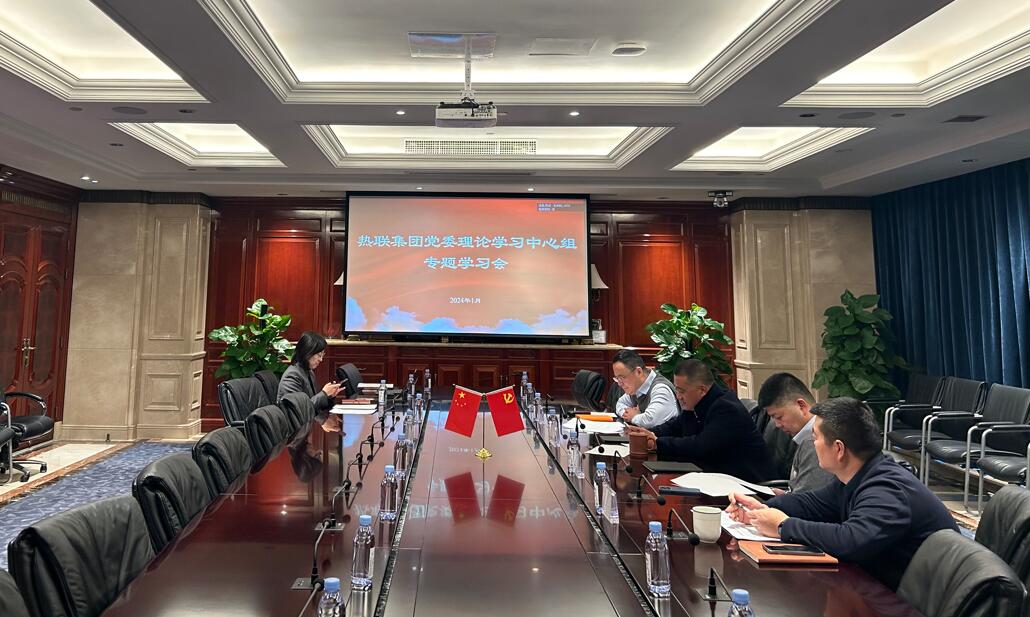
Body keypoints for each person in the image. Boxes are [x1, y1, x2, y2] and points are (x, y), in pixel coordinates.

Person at [727, 397, 958, 591]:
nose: (812, 443)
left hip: (916, 600)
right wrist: (762, 507)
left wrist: (783, 526)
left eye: (815, 437)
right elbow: (812, 503)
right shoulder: (859, 475)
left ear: (838, 448)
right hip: (883, 584)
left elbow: (850, 540)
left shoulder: (887, 489)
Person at [625, 359, 773, 482]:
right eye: (677, 390)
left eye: (681, 391)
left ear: (702, 390)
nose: (678, 396)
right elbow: (675, 426)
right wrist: (646, 433)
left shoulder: (726, 408)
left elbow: (701, 446)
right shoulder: (695, 404)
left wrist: (657, 443)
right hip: (716, 476)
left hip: (747, 483)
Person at [757, 372, 835, 493]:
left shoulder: (817, 442)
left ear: (801, 405)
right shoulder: (808, 438)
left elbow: (808, 501)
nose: (777, 425)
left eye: (779, 417)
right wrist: (785, 495)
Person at [277, 331, 342, 432]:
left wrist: (329, 396)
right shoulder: (292, 375)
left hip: (306, 427)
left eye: (322, 355)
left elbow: (313, 404)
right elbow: (297, 411)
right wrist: (324, 394)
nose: (321, 360)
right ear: (307, 353)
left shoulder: (308, 372)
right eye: (319, 355)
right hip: (292, 433)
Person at [612, 349, 678, 429]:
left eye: (622, 378)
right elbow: (620, 404)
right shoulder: (636, 387)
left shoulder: (661, 389)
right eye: (617, 378)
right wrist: (629, 414)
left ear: (638, 372)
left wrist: (634, 417)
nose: (619, 384)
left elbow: (650, 421)